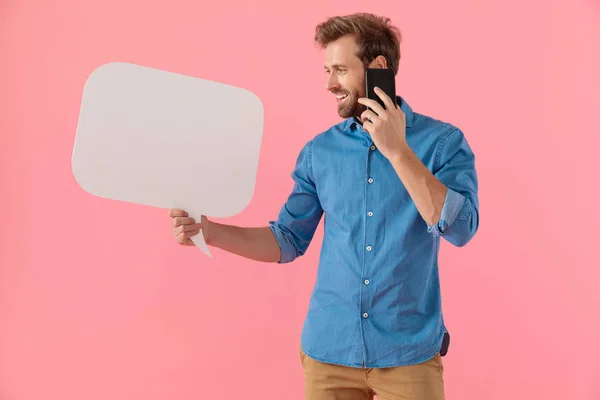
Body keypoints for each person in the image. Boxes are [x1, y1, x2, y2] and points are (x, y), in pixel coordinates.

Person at [169, 12, 479, 400]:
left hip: (409, 355)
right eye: (327, 70)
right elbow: (286, 240)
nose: (330, 83)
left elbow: (462, 228)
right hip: (328, 355)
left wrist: (397, 150)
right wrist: (209, 231)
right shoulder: (320, 152)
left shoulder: (443, 143)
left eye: (340, 69)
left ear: (377, 68)